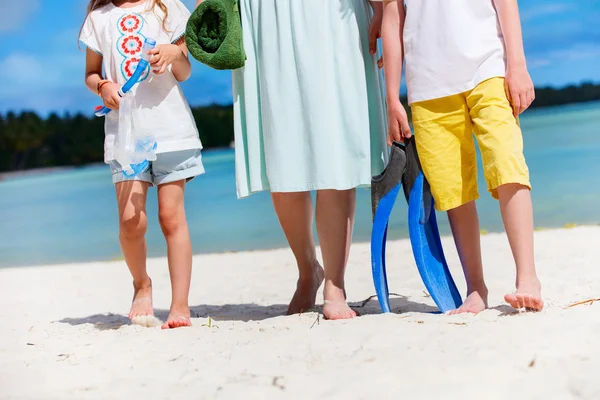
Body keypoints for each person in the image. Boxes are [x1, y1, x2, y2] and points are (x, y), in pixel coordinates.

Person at [194, 0, 388, 320]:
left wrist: (383, 7)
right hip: (265, 17)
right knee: (280, 148)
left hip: (333, 14)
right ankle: (307, 268)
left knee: (334, 146)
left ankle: (335, 285)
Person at [381, 0, 543, 313]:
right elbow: (391, 17)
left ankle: (528, 277)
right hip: (427, 86)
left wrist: (518, 65)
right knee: (453, 190)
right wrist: (391, 97)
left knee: (506, 161)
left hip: (488, 67)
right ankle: (476, 289)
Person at [80, 0, 204, 328]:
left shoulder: (168, 8)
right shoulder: (99, 17)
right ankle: (142, 284)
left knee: (170, 217)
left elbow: (186, 71)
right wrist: (104, 85)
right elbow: (91, 75)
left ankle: (180, 306)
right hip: (126, 134)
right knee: (131, 223)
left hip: (171, 129)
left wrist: (175, 54)